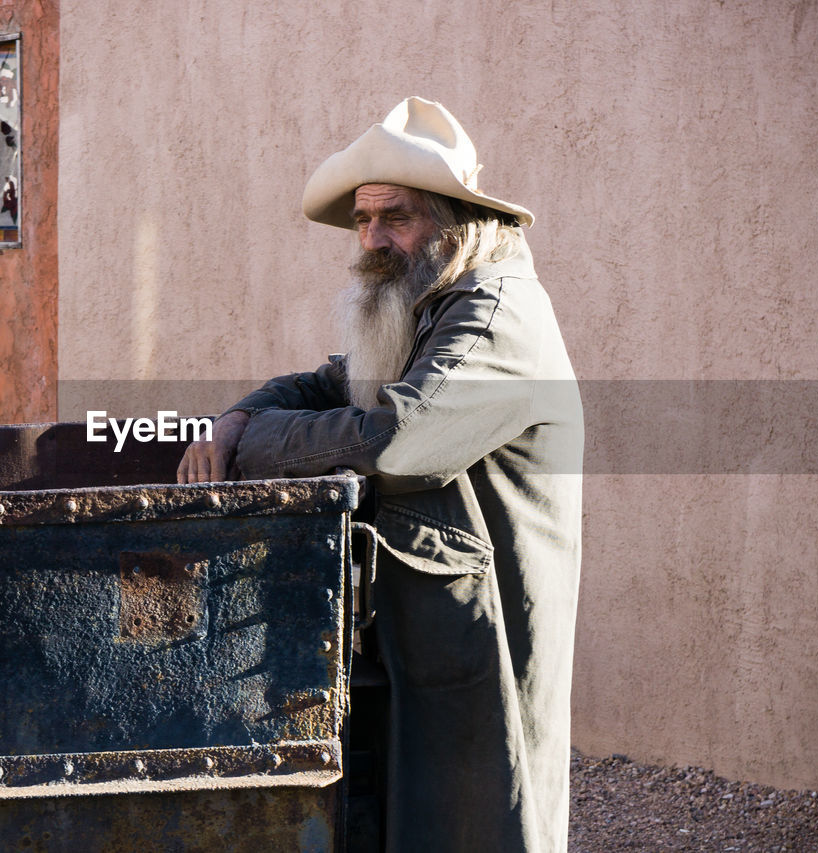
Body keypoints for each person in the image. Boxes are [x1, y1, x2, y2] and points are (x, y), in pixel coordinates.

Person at [178, 96, 583, 852]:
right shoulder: (429, 301)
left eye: (394, 218)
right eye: (362, 222)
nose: (371, 240)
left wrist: (252, 442)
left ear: (453, 222)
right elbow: (335, 383)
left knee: (479, 816)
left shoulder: (496, 312)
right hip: (426, 624)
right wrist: (236, 417)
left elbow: (396, 438)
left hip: (481, 632)